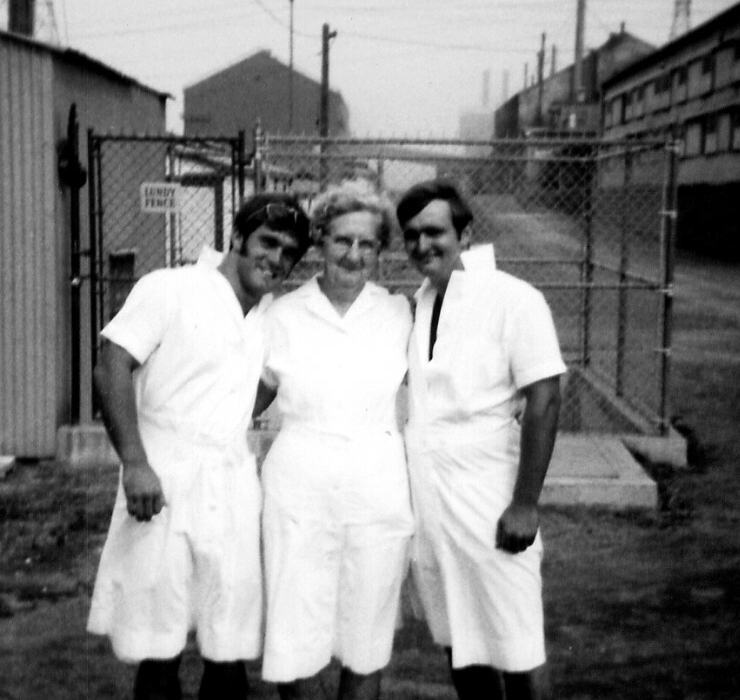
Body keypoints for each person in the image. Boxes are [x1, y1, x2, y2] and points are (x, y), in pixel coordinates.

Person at [87, 193, 311, 700]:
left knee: (228, 644)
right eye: (268, 242)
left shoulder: (269, 317)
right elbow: (111, 364)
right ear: (238, 237)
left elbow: (259, 389)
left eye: (289, 253)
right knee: (158, 644)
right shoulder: (172, 287)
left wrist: (225, 421)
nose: (276, 259)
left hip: (232, 481)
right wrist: (136, 463)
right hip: (162, 477)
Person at [395, 180, 566, 700]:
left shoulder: (514, 299)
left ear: (465, 234)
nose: (422, 244)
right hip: (432, 503)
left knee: (517, 647)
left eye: (434, 231)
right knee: (460, 643)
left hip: (490, 497)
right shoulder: (422, 302)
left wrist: (525, 505)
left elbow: (545, 399)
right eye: (411, 235)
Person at [254, 185, 414, 700]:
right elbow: (242, 402)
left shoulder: (400, 314)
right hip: (298, 490)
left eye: (367, 244)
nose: (353, 254)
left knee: (366, 638)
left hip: (377, 490)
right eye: (343, 240)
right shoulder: (280, 315)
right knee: (294, 634)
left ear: (381, 250)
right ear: (321, 240)